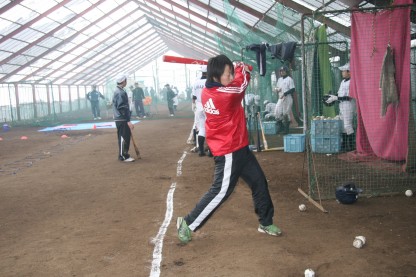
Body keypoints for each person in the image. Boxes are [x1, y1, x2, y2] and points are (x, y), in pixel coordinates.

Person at [176, 54, 281, 244]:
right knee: (220, 192)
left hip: (240, 147)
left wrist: (238, 68)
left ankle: (265, 222)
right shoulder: (220, 94)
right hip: (229, 150)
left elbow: (235, 84)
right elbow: (240, 85)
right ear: (215, 75)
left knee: (259, 182)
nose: (231, 77)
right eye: (227, 74)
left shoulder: (213, 89)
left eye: (231, 73)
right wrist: (243, 70)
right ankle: (188, 224)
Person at [325, 62, 355, 151]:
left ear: (349, 72)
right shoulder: (343, 82)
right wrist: (332, 96)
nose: (342, 72)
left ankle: (352, 146)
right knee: (342, 126)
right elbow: (339, 93)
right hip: (342, 105)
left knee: (347, 126)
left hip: (348, 106)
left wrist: (336, 98)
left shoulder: (351, 82)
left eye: (344, 71)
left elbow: (350, 97)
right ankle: (345, 145)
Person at [112, 75, 135, 162]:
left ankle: (125, 154)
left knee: (125, 136)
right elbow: (122, 107)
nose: (126, 82)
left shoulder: (119, 91)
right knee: (123, 137)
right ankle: (123, 156)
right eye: (126, 80)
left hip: (121, 118)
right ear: (123, 81)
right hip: (122, 118)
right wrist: (128, 121)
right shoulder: (120, 92)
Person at [273, 66, 295, 134]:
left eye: (283, 71)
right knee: (277, 111)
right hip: (281, 98)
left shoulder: (289, 79)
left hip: (287, 98)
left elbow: (293, 89)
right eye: (281, 71)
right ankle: (280, 128)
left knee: (286, 113)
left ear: (286, 71)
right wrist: (276, 89)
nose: (282, 72)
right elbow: (277, 87)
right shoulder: (279, 79)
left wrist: (285, 93)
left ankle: (286, 130)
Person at [192, 65, 208, 156]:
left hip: (198, 106)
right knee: (210, 127)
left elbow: (194, 97)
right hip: (208, 105)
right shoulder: (209, 81)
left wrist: (194, 105)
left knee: (201, 128)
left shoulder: (196, 82)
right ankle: (210, 150)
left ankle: (201, 150)